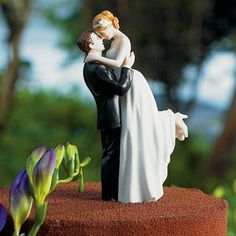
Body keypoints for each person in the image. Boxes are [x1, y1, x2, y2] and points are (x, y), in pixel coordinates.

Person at [85, 10, 188, 203]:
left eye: (103, 31)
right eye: (98, 33)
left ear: (112, 25)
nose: (102, 36)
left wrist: (94, 57)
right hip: (123, 87)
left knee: (138, 127)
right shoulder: (112, 43)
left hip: (130, 83)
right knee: (131, 133)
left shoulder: (123, 41)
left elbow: (116, 64)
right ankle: (127, 187)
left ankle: (170, 119)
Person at [77, 30, 135, 201]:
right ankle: (110, 194)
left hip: (108, 116)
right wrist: (127, 67)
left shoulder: (93, 65)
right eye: (96, 39)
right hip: (111, 117)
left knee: (112, 153)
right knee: (111, 154)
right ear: (90, 45)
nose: (101, 39)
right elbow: (121, 88)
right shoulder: (97, 69)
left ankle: (113, 192)